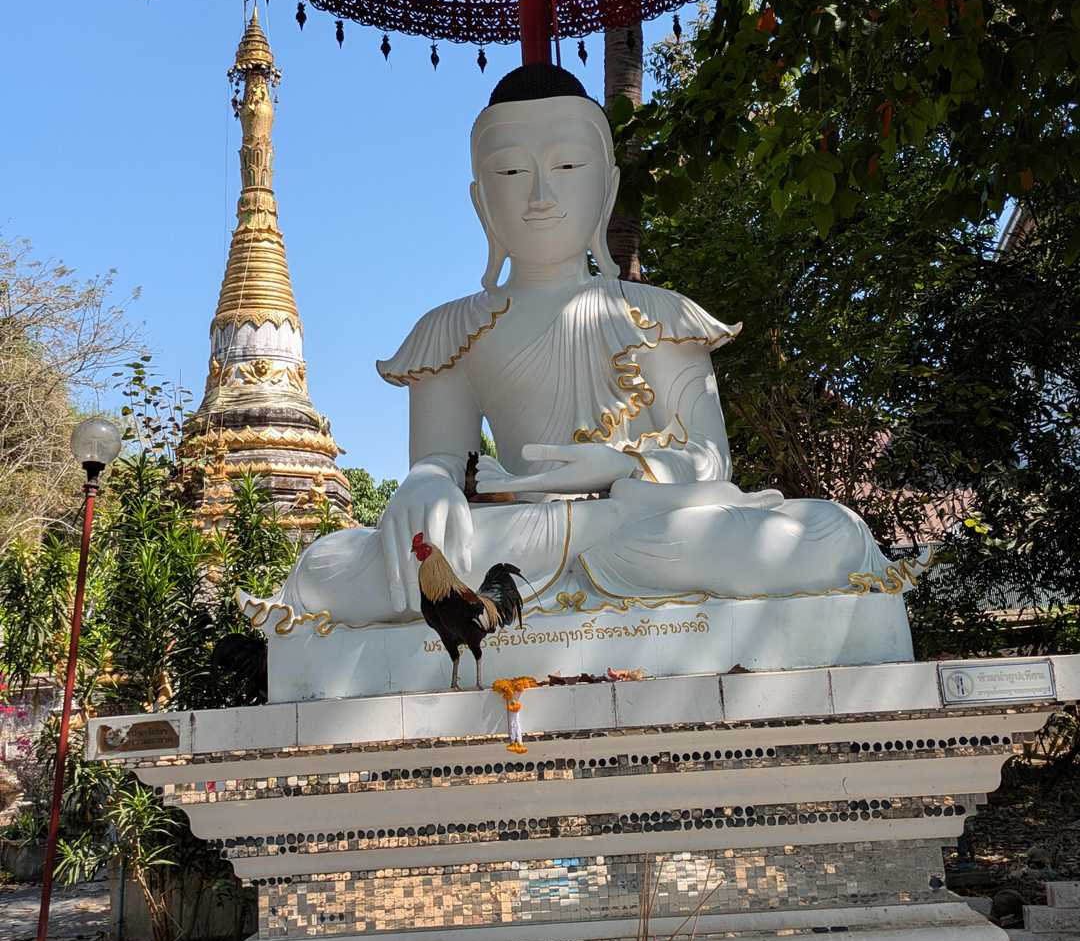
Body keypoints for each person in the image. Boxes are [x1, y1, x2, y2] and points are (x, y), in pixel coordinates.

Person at [246, 64, 903, 635]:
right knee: (326, 566)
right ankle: (571, 586)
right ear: (480, 201)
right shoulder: (452, 328)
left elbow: (710, 460)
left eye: (566, 166)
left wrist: (614, 466)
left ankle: (568, 586)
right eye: (511, 171)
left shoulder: (659, 313)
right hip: (510, 539)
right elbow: (444, 460)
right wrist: (426, 484)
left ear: (606, 189)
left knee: (829, 533)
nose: (540, 195)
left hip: (636, 523)